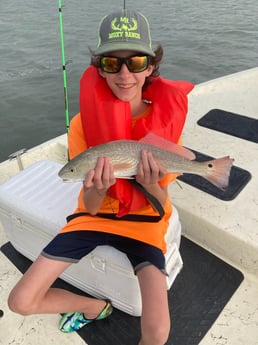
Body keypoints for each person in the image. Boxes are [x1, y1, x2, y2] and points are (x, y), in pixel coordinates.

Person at [8, 8, 194, 345]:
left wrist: (151, 183)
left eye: (136, 62)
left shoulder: (164, 127)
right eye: (112, 63)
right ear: (100, 69)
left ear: (150, 67)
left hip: (145, 221)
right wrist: (99, 187)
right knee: (19, 301)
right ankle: (93, 306)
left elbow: (162, 202)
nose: (125, 74)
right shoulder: (82, 125)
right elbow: (91, 207)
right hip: (92, 219)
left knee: (158, 333)